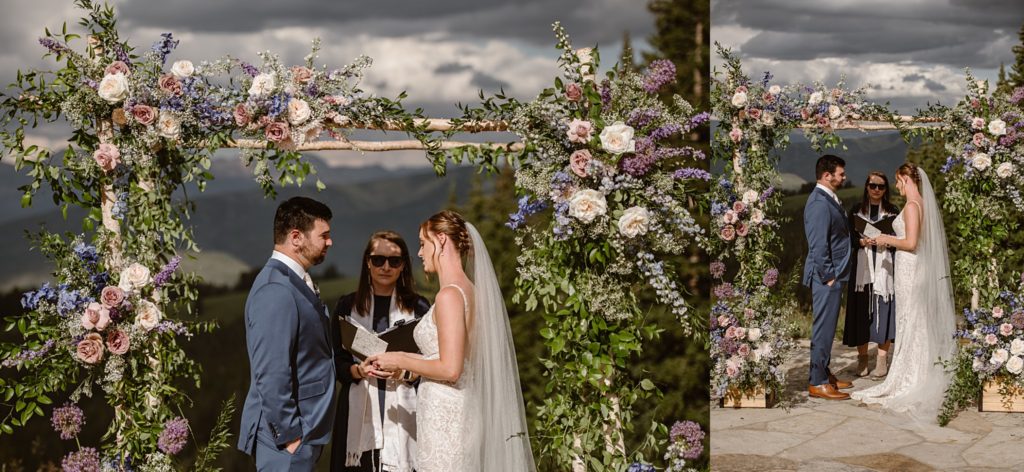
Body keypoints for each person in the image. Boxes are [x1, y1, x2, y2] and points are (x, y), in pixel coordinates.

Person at [362, 210, 536, 471]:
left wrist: (398, 357)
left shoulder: (450, 296)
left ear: (441, 240)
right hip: (456, 409)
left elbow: (451, 369)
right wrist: (405, 366)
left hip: (448, 416)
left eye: (423, 243)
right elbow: (453, 358)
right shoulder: (469, 291)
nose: (419, 253)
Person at [851, 163, 956, 424]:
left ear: (908, 179)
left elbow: (910, 242)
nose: (896, 186)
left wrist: (887, 240)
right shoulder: (921, 204)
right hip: (912, 267)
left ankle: (911, 377)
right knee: (912, 321)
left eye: (898, 181)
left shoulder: (911, 205)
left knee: (910, 320)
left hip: (910, 267)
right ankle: (915, 371)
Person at [237, 196, 336, 471]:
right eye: (323, 235)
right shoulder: (275, 290)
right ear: (296, 237)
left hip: (303, 432)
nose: (329, 242)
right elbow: (271, 371)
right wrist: (290, 435)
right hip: (285, 441)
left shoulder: (292, 279)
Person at [330, 230, 430, 472]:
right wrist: (358, 370)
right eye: (378, 260)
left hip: (405, 407)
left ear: (403, 265)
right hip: (358, 405)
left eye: (394, 261)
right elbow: (336, 363)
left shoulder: (419, 307)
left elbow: (431, 363)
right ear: (367, 262)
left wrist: (405, 373)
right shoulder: (347, 306)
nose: (386, 267)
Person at [802, 154, 854, 400]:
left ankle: (824, 373)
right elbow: (818, 245)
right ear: (827, 175)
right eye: (840, 174)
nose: (844, 178)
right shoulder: (819, 203)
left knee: (828, 327)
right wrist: (829, 276)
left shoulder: (827, 198)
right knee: (823, 329)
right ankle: (817, 382)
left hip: (834, 274)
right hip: (826, 277)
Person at [844, 172, 898, 378]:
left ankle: (882, 360)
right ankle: (863, 358)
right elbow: (847, 239)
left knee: (883, 311)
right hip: (862, 268)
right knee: (861, 313)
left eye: (881, 186)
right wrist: (861, 242)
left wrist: (887, 241)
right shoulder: (856, 211)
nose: (876, 190)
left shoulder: (892, 212)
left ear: (886, 189)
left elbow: (901, 238)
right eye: (873, 185)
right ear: (866, 187)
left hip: (885, 266)